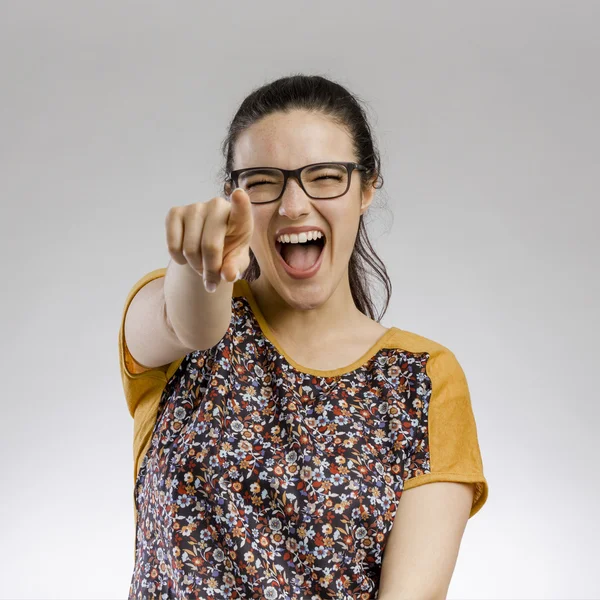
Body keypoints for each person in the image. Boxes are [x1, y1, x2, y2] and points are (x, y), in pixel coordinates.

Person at [119, 73, 489, 600]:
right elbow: (191, 325)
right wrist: (202, 266)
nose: (293, 205)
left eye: (323, 176)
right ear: (234, 199)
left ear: (366, 188)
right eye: (264, 180)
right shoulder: (176, 324)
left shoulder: (423, 378)